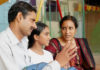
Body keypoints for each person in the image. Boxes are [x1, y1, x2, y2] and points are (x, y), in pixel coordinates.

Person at [0, 1, 77, 70]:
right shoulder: (3, 44)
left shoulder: (23, 42)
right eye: (32, 20)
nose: (35, 26)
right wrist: (57, 63)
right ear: (19, 17)